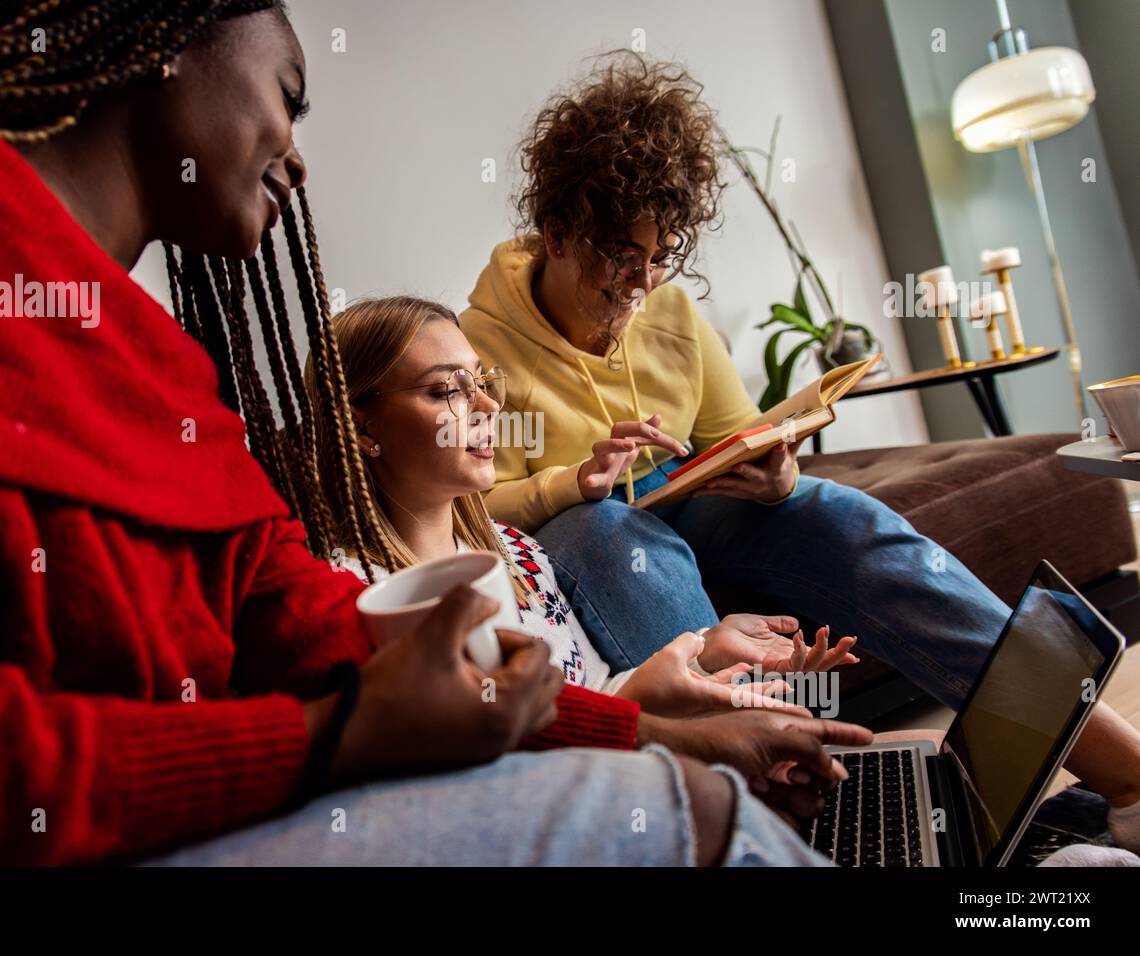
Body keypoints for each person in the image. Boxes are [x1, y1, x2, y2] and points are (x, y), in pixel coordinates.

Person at [0, 1, 869, 866]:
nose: (295, 148)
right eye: (288, 94)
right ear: (167, 29)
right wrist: (325, 737)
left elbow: (322, 628)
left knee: (674, 770)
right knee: (679, 815)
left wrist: (659, 726)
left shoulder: (161, 369)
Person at [457, 51, 1140, 847]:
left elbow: (735, 437)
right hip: (589, 546)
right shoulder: (478, 346)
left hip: (691, 522)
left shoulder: (670, 314)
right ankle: (787, 807)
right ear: (558, 233)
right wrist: (574, 480)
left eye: (658, 256)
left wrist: (775, 472)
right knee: (609, 527)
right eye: (619, 258)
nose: (639, 285)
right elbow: (473, 507)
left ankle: (1123, 771)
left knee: (836, 512)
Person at [312, 294, 857, 717]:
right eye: (444, 391)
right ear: (361, 427)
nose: (487, 405)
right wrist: (637, 703)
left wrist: (707, 648)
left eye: (481, 381)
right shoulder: (354, 596)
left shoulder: (519, 555)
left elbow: (598, 694)